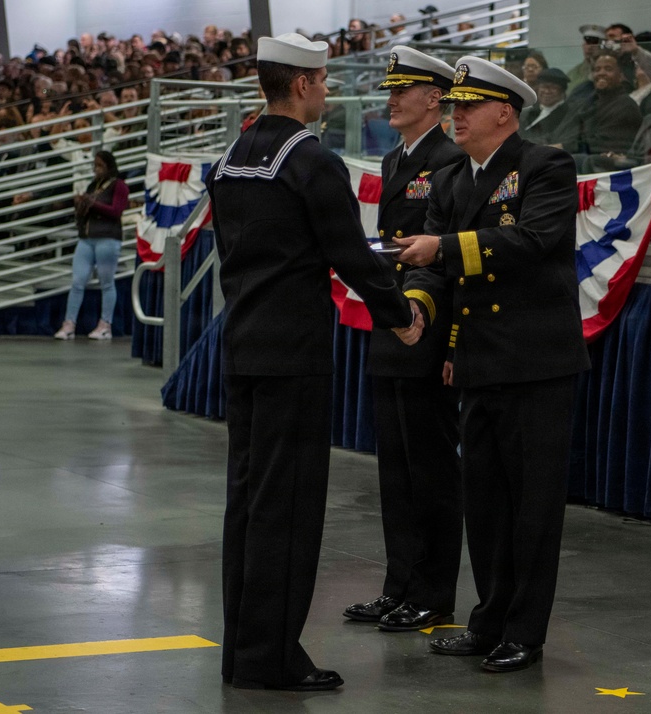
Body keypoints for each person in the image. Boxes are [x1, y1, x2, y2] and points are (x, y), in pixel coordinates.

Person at [205, 32, 421, 692]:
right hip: (294, 353)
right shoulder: (311, 161)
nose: (327, 91)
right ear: (301, 85)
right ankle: (271, 658)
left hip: (243, 344)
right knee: (288, 509)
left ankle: (244, 649)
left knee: (247, 503)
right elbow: (349, 254)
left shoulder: (233, 157)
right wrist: (400, 314)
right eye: (323, 81)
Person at [395, 56, 591, 672]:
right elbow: (430, 265)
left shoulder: (545, 166)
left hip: (535, 362)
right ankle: (488, 620)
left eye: (467, 106)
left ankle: (524, 632)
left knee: (531, 506)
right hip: (479, 360)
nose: (455, 115)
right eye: (451, 105)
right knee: (484, 505)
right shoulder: (453, 177)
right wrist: (421, 309)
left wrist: (445, 248)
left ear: (503, 111)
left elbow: (532, 242)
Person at [342, 46, 465, 632]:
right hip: (392, 322)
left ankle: (433, 591)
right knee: (395, 468)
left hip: (427, 326)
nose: (390, 99)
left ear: (434, 99)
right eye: (390, 89)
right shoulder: (396, 160)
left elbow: (445, 257)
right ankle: (400, 585)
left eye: (403, 90)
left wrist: (441, 336)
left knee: (431, 468)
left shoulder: (450, 160)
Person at [53, 150, 128, 340]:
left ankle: (106, 324)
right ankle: (69, 323)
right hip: (87, 237)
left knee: (107, 283)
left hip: (108, 238)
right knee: (77, 282)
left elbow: (116, 211)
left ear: (109, 166)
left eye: (100, 165)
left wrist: (91, 203)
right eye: (95, 165)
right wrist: (80, 204)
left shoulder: (119, 186)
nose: (96, 169)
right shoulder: (93, 185)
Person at [519, 68, 572, 145]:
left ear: (562, 91)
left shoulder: (567, 115)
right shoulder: (526, 112)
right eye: (543, 87)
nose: (547, 91)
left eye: (553, 88)